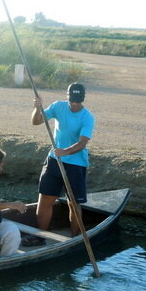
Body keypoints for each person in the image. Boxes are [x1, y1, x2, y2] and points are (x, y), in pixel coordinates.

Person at [31, 82, 95, 236]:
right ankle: (40, 237)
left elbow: (82, 143)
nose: (74, 103)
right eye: (72, 99)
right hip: (54, 161)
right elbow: (36, 121)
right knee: (45, 198)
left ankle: (75, 236)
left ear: (83, 99)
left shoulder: (88, 117)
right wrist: (37, 108)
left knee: (73, 203)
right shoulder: (58, 106)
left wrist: (65, 152)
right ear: (68, 97)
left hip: (75, 164)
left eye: (78, 100)